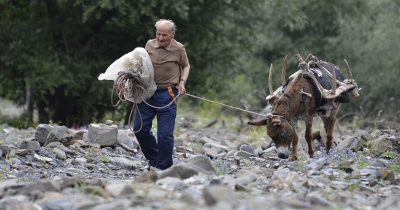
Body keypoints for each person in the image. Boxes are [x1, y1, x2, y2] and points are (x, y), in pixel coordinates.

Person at [133, 19, 190, 170]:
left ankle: (163, 168)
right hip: (147, 92)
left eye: (164, 35)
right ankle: (154, 158)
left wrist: (182, 82)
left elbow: (186, 65)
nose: (160, 38)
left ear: (172, 35)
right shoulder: (149, 45)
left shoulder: (179, 48)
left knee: (165, 135)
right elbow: (141, 64)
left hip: (168, 93)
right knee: (139, 128)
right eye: (158, 34)